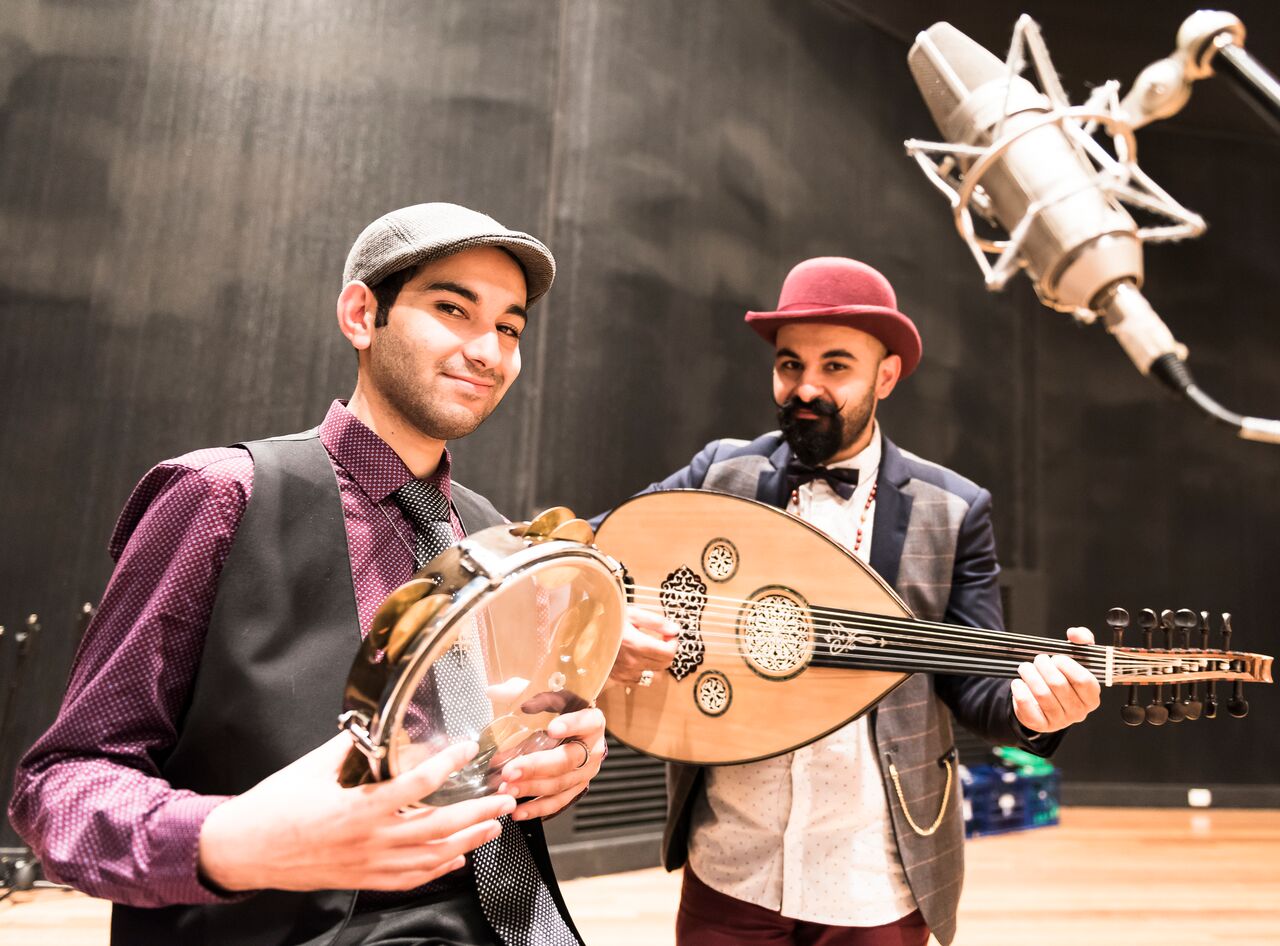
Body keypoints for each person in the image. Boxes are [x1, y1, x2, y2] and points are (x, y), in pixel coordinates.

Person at [8, 202, 674, 946]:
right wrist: (231, 841)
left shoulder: (496, 536)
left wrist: (562, 761)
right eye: (453, 308)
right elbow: (60, 786)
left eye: (510, 328)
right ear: (362, 314)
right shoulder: (222, 496)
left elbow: (490, 756)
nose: (488, 350)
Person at [624, 257, 1102, 946]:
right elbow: (604, 548)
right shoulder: (721, 472)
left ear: (885, 376)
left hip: (874, 875)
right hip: (733, 861)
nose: (805, 388)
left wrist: (1034, 709)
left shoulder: (953, 510)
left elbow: (973, 685)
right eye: (790, 366)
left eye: (836, 367)